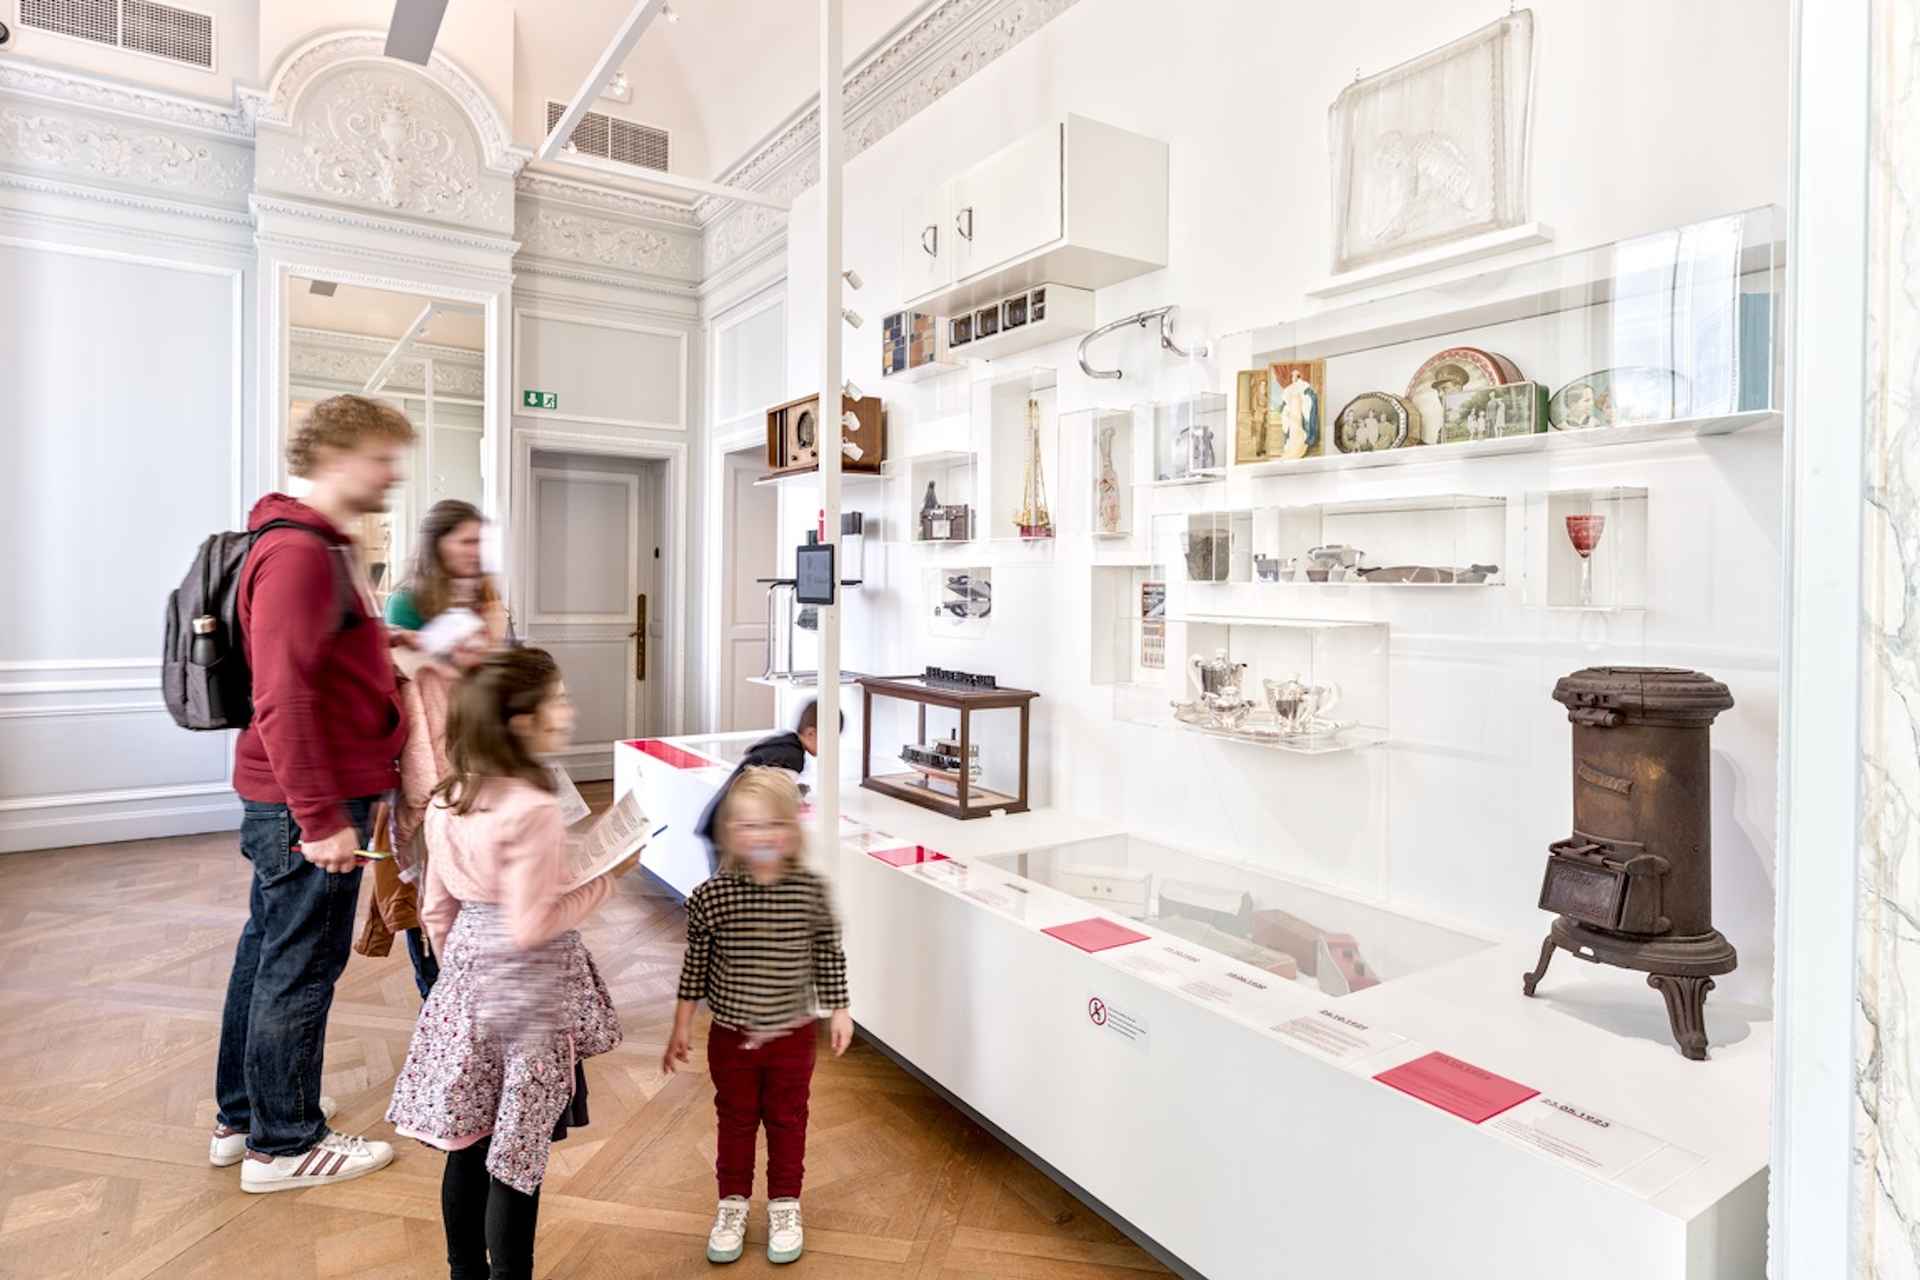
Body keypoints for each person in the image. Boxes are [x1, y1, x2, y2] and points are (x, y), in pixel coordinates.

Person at [211, 394, 415, 1192]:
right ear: (334, 457)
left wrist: (386, 641)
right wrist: (321, 819)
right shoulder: (299, 554)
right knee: (300, 965)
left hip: (299, 797)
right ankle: (287, 1143)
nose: (392, 476)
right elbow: (283, 697)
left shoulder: (312, 545)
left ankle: (245, 1115)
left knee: (267, 951)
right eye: (381, 459)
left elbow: (319, 661)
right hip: (313, 801)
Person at [385, 648, 634, 1280]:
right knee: (517, 1153)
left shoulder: (448, 797)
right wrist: (609, 878)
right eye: (559, 700)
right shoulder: (533, 807)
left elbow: (436, 909)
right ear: (522, 722)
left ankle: (464, 1271)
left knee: (468, 1142)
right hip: (527, 993)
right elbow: (532, 925)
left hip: (467, 980)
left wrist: (459, 980)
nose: (568, 710)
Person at [664, 767, 853, 1266]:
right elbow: (695, 966)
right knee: (736, 1119)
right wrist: (681, 1024)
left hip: (792, 1037)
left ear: (792, 828)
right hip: (731, 1037)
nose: (762, 836)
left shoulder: (810, 893)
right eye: (749, 826)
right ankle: (732, 1204)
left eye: (774, 824)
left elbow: (828, 954)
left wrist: (839, 1009)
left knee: (788, 1119)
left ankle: (786, 1204)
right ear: (730, 832)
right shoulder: (711, 897)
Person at [362, 500, 508, 998]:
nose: (475, 551)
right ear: (437, 544)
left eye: (479, 541)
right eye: (465, 541)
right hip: (432, 755)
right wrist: (448, 657)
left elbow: (499, 674)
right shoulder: (408, 602)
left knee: (479, 876)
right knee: (431, 883)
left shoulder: (487, 598)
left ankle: (477, 990)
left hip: (481, 750)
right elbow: (408, 683)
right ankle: (437, 993)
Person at [692, 699, 840, 863]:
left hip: (720, 820)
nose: (833, 747)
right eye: (832, 740)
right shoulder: (793, 758)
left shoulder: (784, 743)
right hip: (727, 829)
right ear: (811, 733)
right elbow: (774, 797)